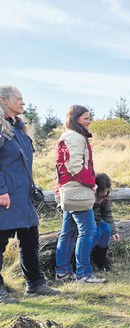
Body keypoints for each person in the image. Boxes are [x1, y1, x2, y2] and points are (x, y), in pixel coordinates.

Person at [0, 85, 60, 303]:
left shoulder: (19, 127)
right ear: (3, 100)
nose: (23, 102)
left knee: (30, 239)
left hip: (23, 196)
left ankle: (35, 284)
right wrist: (1, 191)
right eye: (19, 98)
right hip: (5, 196)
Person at [55, 105, 106, 284]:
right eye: (86, 118)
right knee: (88, 230)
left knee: (68, 231)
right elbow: (74, 165)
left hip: (69, 189)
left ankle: (63, 272)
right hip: (77, 189)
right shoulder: (75, 137)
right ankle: (84, 273)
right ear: (76, 118)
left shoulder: (70, 136)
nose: (89, 121)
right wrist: (91, 183)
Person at [90, 173, 120, 272]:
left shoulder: (105, 197)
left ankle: (100, 258)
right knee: (97, 232)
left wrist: (114, 231)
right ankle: (86, 257)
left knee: (106, 229)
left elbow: (107, 214)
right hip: (88, 222)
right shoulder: (90, 196)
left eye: (107, 190)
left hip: (97, 221)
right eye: (104, 190)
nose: (106, 193)